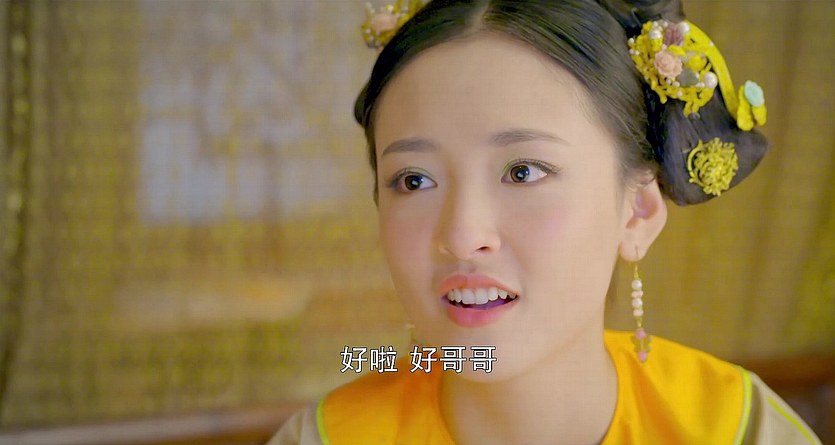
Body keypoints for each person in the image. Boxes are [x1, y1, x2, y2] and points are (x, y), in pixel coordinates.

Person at [269, 0, 821, 443]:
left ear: (638, 211)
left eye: (523, 172)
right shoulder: (328, 437)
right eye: (414, 180)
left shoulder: (736, 429)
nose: (462, 237)